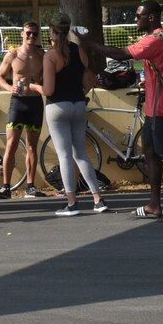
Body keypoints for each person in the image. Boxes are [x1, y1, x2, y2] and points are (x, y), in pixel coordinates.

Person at [103, 2, 163, 221]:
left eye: (138, 16)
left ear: (151, 18)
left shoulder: (154, 39)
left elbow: (123, 54)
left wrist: (91, 45)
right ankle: (154, 205)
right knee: (150, 154)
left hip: (162, 109)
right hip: (153, 108)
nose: (135, 19)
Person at [33, 13, 109, 216]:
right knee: (81, 154)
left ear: (51, 31)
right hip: (77, 105)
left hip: (58, 106)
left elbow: (48, 90)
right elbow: (89, 78)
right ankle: (97, 199)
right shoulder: (79, 51)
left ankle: (72, 202)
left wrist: (33, 85)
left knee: (64, 156)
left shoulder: (51, 55)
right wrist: (79, 93)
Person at [0, 22, 49, 196]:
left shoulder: (42, 55)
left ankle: (30, 186)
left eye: (35, 34)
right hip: (18, 103)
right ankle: (6, 186)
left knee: (32, 146)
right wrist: (10, 88)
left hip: (35, 103)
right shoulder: (13, 54)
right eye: (28, 33)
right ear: (22, 34)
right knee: (12, 144)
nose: (32, 37)